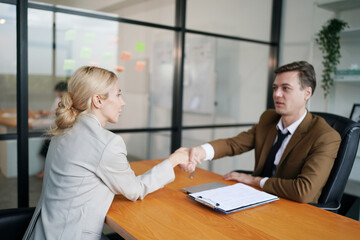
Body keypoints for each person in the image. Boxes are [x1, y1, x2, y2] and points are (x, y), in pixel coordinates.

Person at [23, 66, 189, 240]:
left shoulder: (63, 130)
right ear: (98, 100)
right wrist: (174, 160)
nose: (122, 102)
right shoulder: (106, 143)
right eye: (118, 94)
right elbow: (135, 190)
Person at [184, 61, 341, 204]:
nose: (277, 94)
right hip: (257, 199)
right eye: (275, 88)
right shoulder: (269, 118)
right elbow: (234, 144)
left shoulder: (325, 137)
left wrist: (254, 181)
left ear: (307, 93)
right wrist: (200, 151)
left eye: (286, 88)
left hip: (293, 210)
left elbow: (303, 191)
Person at [36, 81, 68, 179]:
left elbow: (58, 116)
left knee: (48, 149)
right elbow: (54, 113)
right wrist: (46, 114)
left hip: (62, 131)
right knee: (46, 149)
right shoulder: (57, 99)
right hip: (56, 129)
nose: (58, 94)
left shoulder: (67, 101)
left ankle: (45, 171)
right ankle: (45, 171)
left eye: (59, 91)